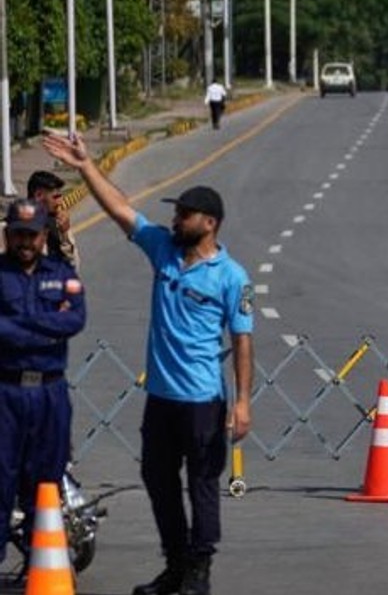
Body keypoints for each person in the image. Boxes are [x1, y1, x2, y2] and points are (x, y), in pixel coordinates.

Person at [42, 132, 253, 595]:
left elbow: (242, 341)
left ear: (210, 223)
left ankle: (200, 570)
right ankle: (176, 563)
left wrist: (241, 404)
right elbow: (121, 210)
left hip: (202, 401)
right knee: (157, 480)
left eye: (184, 214)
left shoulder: (233, 277)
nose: (174, 219)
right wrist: (85, 166)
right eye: (175, 213)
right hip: (160, 398)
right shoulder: (163, 248)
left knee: (202, 485)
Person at [0, 199, 86, 575]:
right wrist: (45, 325)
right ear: (7, 235)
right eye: (17, 234)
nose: (24, 242)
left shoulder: (61, 272)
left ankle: (42, 565)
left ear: (43, 236)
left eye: (31, 235)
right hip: (6, 392)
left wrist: (19, 326)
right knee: (0, 479)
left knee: (46, 480)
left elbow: (76, 320)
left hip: (50, 393)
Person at [27, 170, 78, 267]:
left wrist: (64, 235)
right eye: (55, 197)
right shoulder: (8, 228)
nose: (60, 202)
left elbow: (73, 265)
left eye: (60, 196)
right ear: (38, 196)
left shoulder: (57, 225)